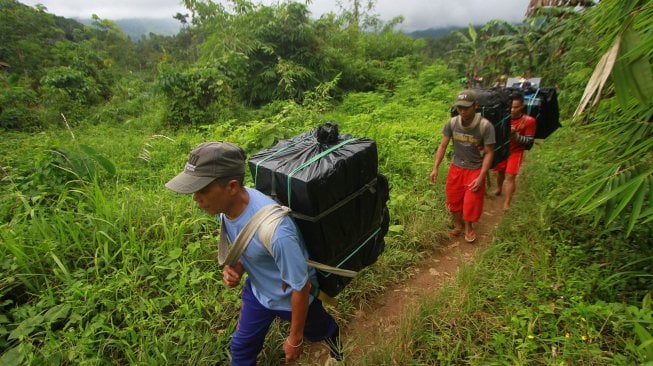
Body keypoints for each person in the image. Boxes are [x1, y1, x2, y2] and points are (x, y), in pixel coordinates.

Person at [165, 142, 342, 365]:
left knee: (321, 330)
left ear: (231, 187)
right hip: (258, 293)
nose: (195, 198)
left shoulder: (277, 232)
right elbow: (246, 245)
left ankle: (337, 351)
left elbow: (301, 286)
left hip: (290, 300)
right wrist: (236, 268)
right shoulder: (225, 210)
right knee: (240, 349)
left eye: (203, 190)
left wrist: (295, 339)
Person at [429, 90, 495, 243]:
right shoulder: (452, 123)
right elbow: (443, 145)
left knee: (471, 202)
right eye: (460, 108)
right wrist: (435, 167)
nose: (463, 111)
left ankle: (469, 227)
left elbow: (489, 153)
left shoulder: (485, 126)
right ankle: (458, 225)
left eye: (466, 107)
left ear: (475, 106)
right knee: (454, 199)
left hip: (475, 168)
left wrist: (481, 176)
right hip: (456, 167)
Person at [492, 93, 536, 210]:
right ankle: (498, 188)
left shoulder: (529, 121)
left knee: (510, 176)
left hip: (516, 151)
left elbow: (529, 141)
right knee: (500, 172)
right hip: (502, 150)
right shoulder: (502, 117)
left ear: (522, 106)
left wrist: (515, 136)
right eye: (510, 107)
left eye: (516, 107)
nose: (512, 110)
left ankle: (507, 202)